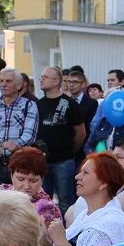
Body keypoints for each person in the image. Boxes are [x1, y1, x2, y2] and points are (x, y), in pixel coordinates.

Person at [36, 66, 86, 214]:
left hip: (63, 161)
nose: (41, 80)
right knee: (42, 201)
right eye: (41, 77)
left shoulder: (70, 104)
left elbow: (81, 133)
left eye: (45, 77)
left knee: (66, 201)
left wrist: (70, 150)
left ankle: (68, 234)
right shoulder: (39, 104)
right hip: (42, 161)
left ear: (56, 81)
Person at [0, 68, 40, 186]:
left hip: (22, 163)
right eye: (1, 81)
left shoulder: (29, 105)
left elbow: (29, 136)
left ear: (18, 86)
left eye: (8, 81)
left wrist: (10, 147)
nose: (3, 85)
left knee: (20, 200)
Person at [1, 147, 62, 236]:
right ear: (11, 175)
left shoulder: (48, 209)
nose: (26, 186)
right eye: (20, 179)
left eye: (33, 181)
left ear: (42, 179)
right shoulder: (0, 192)